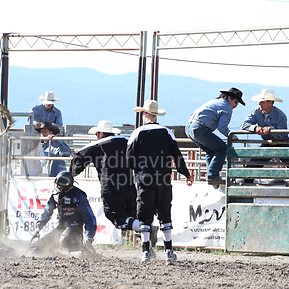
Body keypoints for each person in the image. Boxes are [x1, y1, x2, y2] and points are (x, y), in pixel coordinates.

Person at [127, 100, 193, 263]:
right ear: (155, 115)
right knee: (165, 212)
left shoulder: (137, 133)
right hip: (163, 178)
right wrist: (186, 174)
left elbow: (128, 158)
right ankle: (168, 251)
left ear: (145, 115)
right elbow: (177, 155)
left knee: (145, 213)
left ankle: (145, 251)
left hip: (144, 178)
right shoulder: (167, 132)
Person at [70, 120, 139, 232]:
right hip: (129, 186)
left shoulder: (95, 146)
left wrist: (71, 174)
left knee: (116, 217)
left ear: (100, 134)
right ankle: (145, 238)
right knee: (132, 215)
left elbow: (77, 161)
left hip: (111, 187)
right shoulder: (126, 142)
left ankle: (145, 229)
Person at [185, 87, 245, 185]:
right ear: (229, 98)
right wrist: (231, 135)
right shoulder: (227, 107)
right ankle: (213, 177)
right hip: (200, 128)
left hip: (189, 127)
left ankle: (212, 177)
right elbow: (222, 127)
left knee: (210, 151)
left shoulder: (216, 102)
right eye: (236, 102)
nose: (236, 105)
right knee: (223, 149)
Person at [29, 171, 97, 256]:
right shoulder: (56, 195)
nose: (57, 187)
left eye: (59, 185)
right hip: (61, 228)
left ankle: (84, 251)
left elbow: (89, 218)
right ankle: (57, 255)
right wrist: (38, 229)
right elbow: (47, 210)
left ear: (66, 185)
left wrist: (88, 239)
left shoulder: (78, 196)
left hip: (75, 229)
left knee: (65, 240)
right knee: (35, 249)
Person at [240, 89, 288, 184]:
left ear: (270, 102)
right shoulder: (256, 111)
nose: (259, 104)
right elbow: (244, 125)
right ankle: (247, 183)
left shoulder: (281, 115)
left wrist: (271, 130)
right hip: (268, 144)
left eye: (262, 101)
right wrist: (255, 128)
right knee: (252, 165)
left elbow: (283, 135)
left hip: (282, 144)